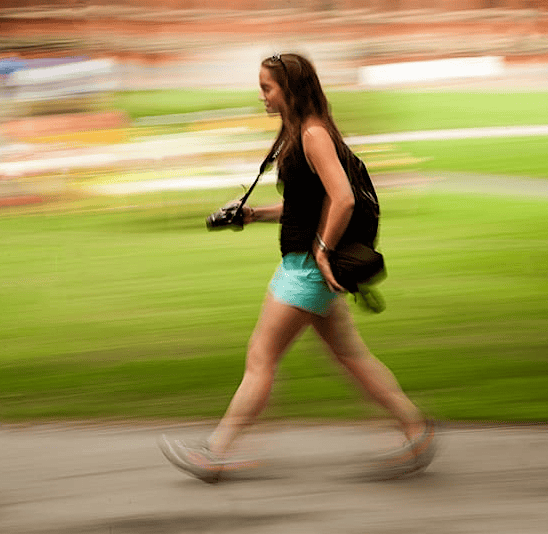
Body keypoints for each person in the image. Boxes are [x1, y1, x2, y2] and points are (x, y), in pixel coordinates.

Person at [159, 53, 436, 483]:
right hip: (306, 265)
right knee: (350, 356)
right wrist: (253, 214)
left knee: (261, 357)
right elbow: (305, 207)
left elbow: (343, 198)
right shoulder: (301, 132)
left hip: (306, 268)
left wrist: (323, 251)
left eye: (267, 87)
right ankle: (416, 431)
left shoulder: (312, 134)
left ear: (289, 90)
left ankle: (214, 452)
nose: (262, 95)